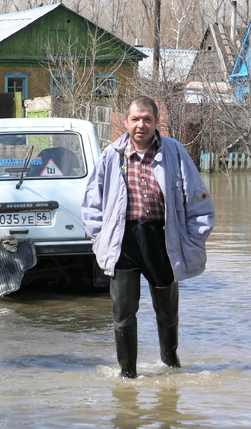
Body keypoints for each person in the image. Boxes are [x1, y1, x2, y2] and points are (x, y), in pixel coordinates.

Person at [81, 96, 215, 378]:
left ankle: (171, 366)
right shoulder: (111, 155)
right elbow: (92, 203)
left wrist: (194, 240)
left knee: (167, 312)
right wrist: (99, 240)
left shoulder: (174, 152)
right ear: (127, 122)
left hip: (163, 241)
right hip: (124, 242)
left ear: (156, 122)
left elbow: (198, 200)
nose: (141, 125)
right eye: (135, 119)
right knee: (123, 313)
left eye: (147, 119)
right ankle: (127, 375)